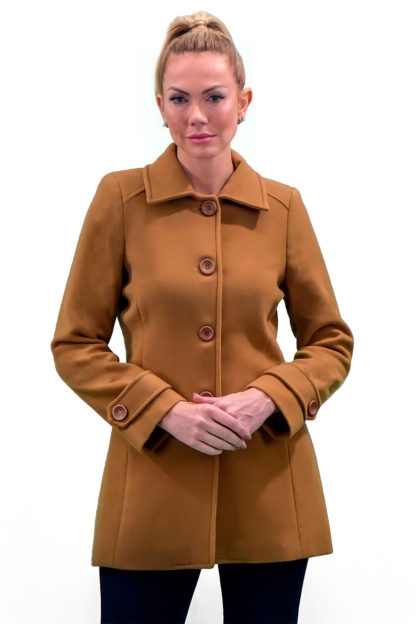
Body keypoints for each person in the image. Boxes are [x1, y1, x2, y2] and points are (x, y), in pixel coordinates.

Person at [50, 10, 354, 624]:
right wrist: (164, 410)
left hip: (268, 484)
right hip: (152, 479)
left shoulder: (283, 208)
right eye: (179, 98)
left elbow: (330, 342)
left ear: (244, 102)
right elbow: (75, 343)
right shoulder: (120, 200)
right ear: (159, 106)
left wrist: (270, 397)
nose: (197, 116)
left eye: (214, 97)